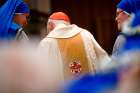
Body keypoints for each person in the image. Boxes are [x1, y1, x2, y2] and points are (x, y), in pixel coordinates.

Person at [39, 12, 111, 81]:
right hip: (90, 87)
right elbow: (103, 58)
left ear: (51, 25)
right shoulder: (85, 34)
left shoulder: (47, 42)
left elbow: (40, 73)